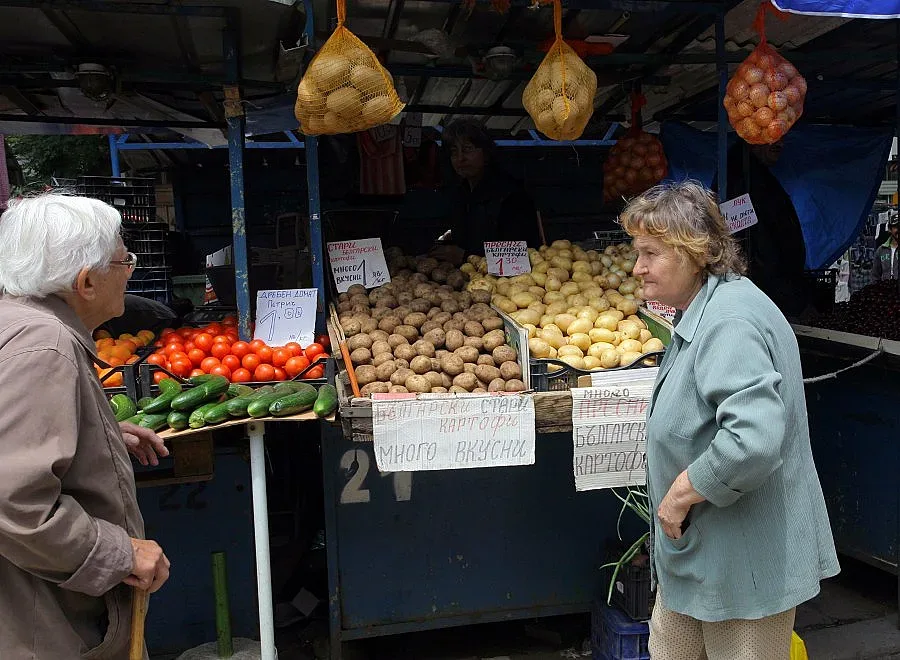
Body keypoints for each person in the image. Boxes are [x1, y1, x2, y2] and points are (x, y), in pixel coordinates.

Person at [620, 181, 839, 660]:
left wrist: (679, 495)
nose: (638, 268)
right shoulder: (708, 308)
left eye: (650, 253)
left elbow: (753, 442)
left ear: (693, 253)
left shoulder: (730, 322)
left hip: (743, 570)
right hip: (702, 556)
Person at [0, 194, 171, 659]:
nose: (131, 270)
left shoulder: (15, 323)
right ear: (87, 281)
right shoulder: (44, 345)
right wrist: (118, 554)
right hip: (42, 624)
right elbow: (14, 500)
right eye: (124, 260)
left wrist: (100, 432)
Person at [716, 139, 809, 318]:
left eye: (783, 137)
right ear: (751, 138)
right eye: (771, 137)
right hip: (766, 294)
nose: (780, 143)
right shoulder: (741, 178)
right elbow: (756, 245)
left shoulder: (755, 177)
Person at [433, 119, 542, 264]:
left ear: (486, 153)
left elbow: (520, 256)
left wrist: (465, 257)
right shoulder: (460, 193)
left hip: (507, 283)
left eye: (467, 149)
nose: (460, 158)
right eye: (454, 152)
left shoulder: (512, 196)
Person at [872, 216, 899, 281]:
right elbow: (875, 275)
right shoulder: (881, 250)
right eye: (896, 227)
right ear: (890, 229)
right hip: (886, 289)